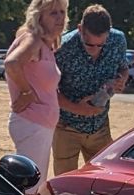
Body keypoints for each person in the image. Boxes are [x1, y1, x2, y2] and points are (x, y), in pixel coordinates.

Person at [52, 4, 128, 176]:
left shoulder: (118, 40)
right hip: (66, 127)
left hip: (100, 126)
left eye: (101, 45)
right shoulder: (62, 47)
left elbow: (123, 68)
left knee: (103, 181)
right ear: (80, 29)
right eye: (89, 44)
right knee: (64, 185)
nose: (95, 51)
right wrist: (78, 109)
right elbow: (48, 91)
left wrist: (122, 79)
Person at [5, 0, 68, 195]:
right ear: (39, 16)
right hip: (33, 124)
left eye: (62, 12)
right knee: (28, 187)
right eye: (53, 13)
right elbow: (12, 64)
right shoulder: (33, 39)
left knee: (33, 184)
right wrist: (25, 92)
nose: (60, 18)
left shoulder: (44, 44)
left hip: (39, 125)